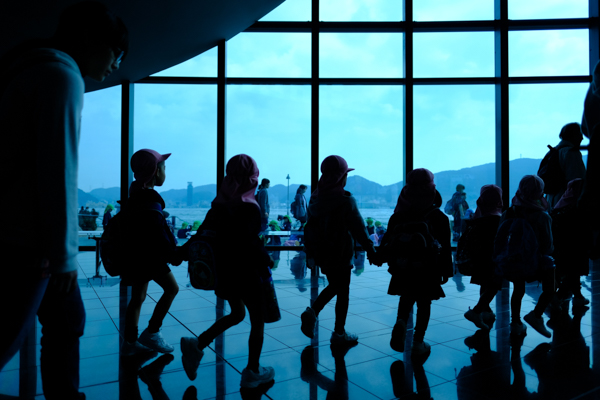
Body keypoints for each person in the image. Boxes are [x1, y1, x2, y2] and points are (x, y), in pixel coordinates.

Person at [0, 2, 128, 399]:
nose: (118, 64)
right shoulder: (61, 76)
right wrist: (64, 257)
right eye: (116, 52)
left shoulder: (25, 65)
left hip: (15, 230)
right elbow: (58, 170)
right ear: (90, 40)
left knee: (67, 318)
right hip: (27, 240)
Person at [179, 154, 276, 388]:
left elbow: (202, 233)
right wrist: (267, 260)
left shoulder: (218, 206)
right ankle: (253, 370)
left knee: (236, 313)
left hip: (226, 273)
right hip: (248, 273)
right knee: (257, 321)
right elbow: (250, 243)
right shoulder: (250, 208)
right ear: (251, 179)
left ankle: (198, 344)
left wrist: (180, 253)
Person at [301, 155, 376, 345]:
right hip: (341, 253)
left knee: (337, 286)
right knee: (342, 291)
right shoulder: (345, 200)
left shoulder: (315, 198)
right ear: (342, 176)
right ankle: (335, 330)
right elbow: (359, 228)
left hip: (322, 253)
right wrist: (371, 250)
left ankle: (325, 321)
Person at [378, 168, 453, 356]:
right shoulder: (438, 217)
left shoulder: (399, 215)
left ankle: (401, 322)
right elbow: (445, 246)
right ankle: (418, 342)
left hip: (402, 266)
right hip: (428, 268)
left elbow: (387, 239)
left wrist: (381, 257)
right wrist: (447, 271)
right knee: (424, 303)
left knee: (406, 297)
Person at [121, 149, 180, 355]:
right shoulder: (151, 200)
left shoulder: (135, 194)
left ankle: (130, 342)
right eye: (164, 167)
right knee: (172, 289)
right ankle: (152, 332)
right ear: (156, 171)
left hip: (136, 255)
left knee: (137, 298)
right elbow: (157, 235)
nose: (165, 172)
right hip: (150, 258)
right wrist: (173, 254)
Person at [497, 175, 555, 338]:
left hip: (514, 260)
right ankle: (536, 316)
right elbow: (548, 247)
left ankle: (515, 322)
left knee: (518, 289)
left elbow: (500, 237)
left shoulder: (509, 213)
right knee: (550, 288)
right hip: (537, 262)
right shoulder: (543, 216)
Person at [462, 185, 504, 331]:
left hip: (479, 259)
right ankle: (477, 311)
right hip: (494, 259)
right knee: (494, 285)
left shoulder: (478, 218)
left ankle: (485, 311)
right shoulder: (499, 219)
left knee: (484, 283)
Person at [551, 179, 591, 307]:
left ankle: (577, 296)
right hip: (575, 247)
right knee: (574, 272)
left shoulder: (560, 206)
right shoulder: (578, 208)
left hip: (561, 248)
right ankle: (559, 297)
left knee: (571, 272)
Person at [543, 123, 586, 208]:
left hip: (551, 200)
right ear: (574, 135)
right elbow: (577, 181)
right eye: (580, 134)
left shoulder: (553, 152)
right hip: (566, 202)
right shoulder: (571, 152)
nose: (582, 138)